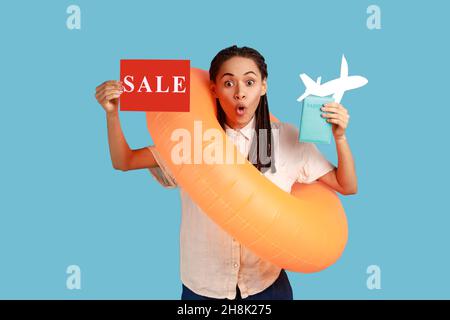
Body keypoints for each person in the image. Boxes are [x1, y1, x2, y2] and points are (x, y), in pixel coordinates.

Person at [94, 45, 357, 300]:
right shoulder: (190, 139)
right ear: (214, 89)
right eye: (229, 83)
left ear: (263, 87)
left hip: (266, 286)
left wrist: (341, 138)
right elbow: (124, 161)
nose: (240, 93)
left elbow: (346, 185)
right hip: (204, 288)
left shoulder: (287, 139)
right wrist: (112, 114)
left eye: (250, 82)